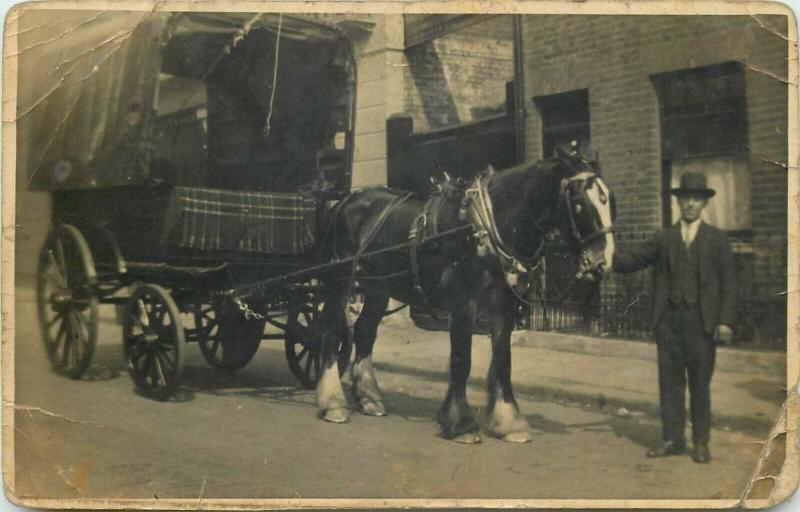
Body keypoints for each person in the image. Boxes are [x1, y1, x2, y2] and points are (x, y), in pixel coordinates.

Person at [613, 171, 736, 463]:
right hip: (668, 324)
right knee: (669, 385)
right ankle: (672, 439)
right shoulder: (664, 238)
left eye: (696, 199)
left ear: (704, 203)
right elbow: (634, 259)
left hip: (701, 324)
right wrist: (607, 258)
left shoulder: (717, 240)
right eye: (685, 199)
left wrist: (725, 321)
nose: (690, 204)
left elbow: (730, 284)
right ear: (678, 203)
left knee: (699, 384)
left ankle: (701, 441)